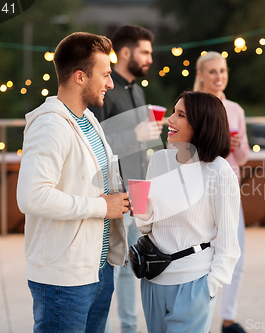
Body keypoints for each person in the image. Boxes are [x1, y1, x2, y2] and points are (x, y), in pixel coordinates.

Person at [16, 32, 130, 333]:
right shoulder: (50, 125)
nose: (110, 83)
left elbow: (90, 181)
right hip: (63, 279)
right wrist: (101, 206)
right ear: (80, 76)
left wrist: (120, 196)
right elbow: (31, 197)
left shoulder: (88, 119)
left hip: (98, 270)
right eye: (105, 75)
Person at [133, 91, 241, 333]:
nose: (170, 120)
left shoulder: (219, 171)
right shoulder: (159, 160)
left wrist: (210, 287)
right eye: (173, 112)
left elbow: (228, 242)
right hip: (153, 280)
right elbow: (147, 227)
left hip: (194, 284)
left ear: (202, 124)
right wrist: (139, 207)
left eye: (180, 115)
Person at [89, 25, 162, 333]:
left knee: (136, 264)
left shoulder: (136, 88)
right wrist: (135, 135)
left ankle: (131, 327)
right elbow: (95, 142)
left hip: (139, 189)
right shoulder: (105, 89)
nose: (149, 59)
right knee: (115, 267)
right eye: (145, 52)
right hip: (114, 192)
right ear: (127, 52)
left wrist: (150, 147)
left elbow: (138, 144)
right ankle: (122, 328)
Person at [193, 51, 250, 333]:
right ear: (201, 74)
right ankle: (198, 315)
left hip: (230, 193)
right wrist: (220, 142)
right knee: (202, 258)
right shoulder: (191, 107)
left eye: (223, 71)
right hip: (199, 194)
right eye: (213, 71)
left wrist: (236, 145)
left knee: (234, 255)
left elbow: (244, 158)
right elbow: (181, 152)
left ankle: (228, 320)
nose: (219, 77)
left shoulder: (236, 109)